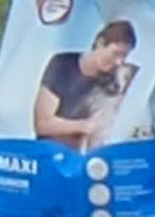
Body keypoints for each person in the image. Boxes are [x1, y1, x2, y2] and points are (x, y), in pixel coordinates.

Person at [33, 22, 138, 153]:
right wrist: (85, 126)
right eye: (116, 53)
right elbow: (42, 124)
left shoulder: (115, 80)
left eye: (124, 56)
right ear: (100, 43)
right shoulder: (62, 65)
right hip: (51, 155)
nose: (118, 62)